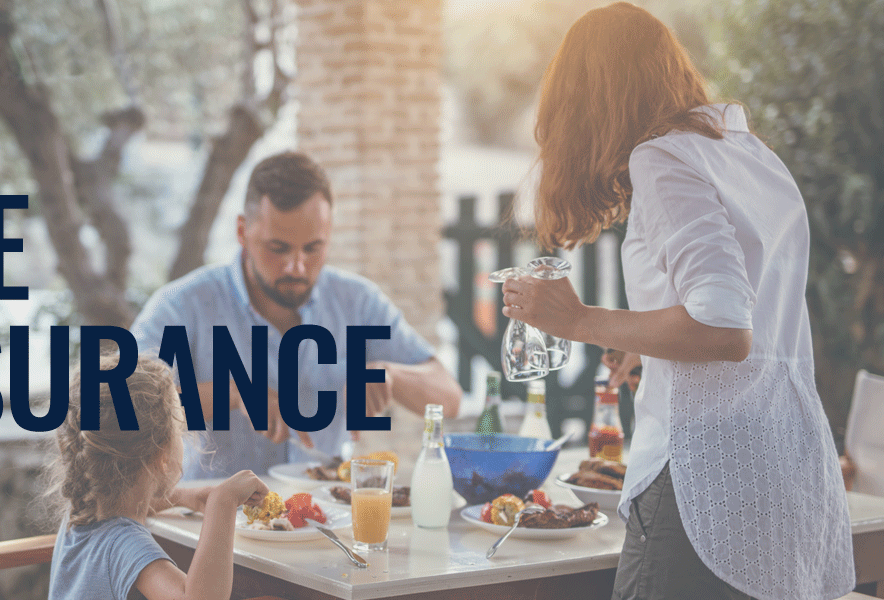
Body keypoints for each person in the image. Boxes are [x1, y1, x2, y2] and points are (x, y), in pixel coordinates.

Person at [500, 4, 854, 600]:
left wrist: (578, 320)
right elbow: (756, 322)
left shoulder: (661, 157)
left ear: (592, 99)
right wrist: (648, 350)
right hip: (788, 474)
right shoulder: (748, 154)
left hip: (703, 484)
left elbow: (724, 330)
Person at [130, 151, 461, 479]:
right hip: (206, 524)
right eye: (278, 248)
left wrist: (390, 374)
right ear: (243, 232)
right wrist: (234, 393)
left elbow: (450, 399)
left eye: (313, 248)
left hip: (320, 521)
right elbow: (116, 408)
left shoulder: (357, 302)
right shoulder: (184, 304)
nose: (296, 266)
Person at [43, 353, 271, 600]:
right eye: (178, 427)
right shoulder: (124, 544)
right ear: (162, 458)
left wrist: (185, 497)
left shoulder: (83, 510)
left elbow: (127, 500)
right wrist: (222, 503)